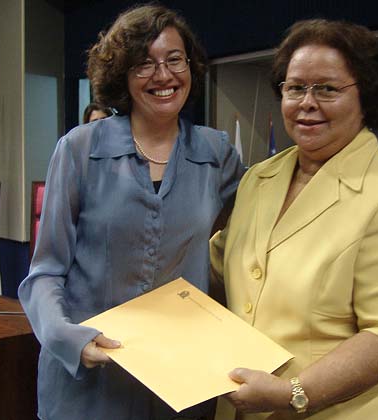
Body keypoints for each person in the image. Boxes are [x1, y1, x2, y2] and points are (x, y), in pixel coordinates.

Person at [210, 19, 378, 420]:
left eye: (327, 89)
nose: (307, 102)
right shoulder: (259, 179)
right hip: (248, 407)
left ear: (366, 96)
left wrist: (291, 393)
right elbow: (223, 268)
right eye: (295, 87)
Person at [18, 4, 244, 420]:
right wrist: (68, 337)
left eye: (175, 60)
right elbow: (45, 273)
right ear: (121, 73)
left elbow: (257, 232)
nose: (163, 75)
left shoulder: (216, 154)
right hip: (89, 383)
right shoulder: (80, 149)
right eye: (144, 63)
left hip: (178, 380)